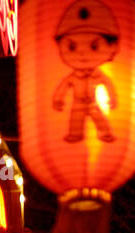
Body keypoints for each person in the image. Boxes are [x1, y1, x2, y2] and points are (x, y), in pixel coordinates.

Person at [52, 1, 120, 143]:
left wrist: (112, 98)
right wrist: (58, 99)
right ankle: (75, 135)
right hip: (77, 103)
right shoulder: (73, 77)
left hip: (93, 103)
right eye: (72, 47)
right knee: (75, 119)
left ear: (112, 48)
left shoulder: (99, 75)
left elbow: (108, 85)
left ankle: (105, 133)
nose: (82, 54)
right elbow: (63, 87)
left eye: (94, 47)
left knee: (100, 118)